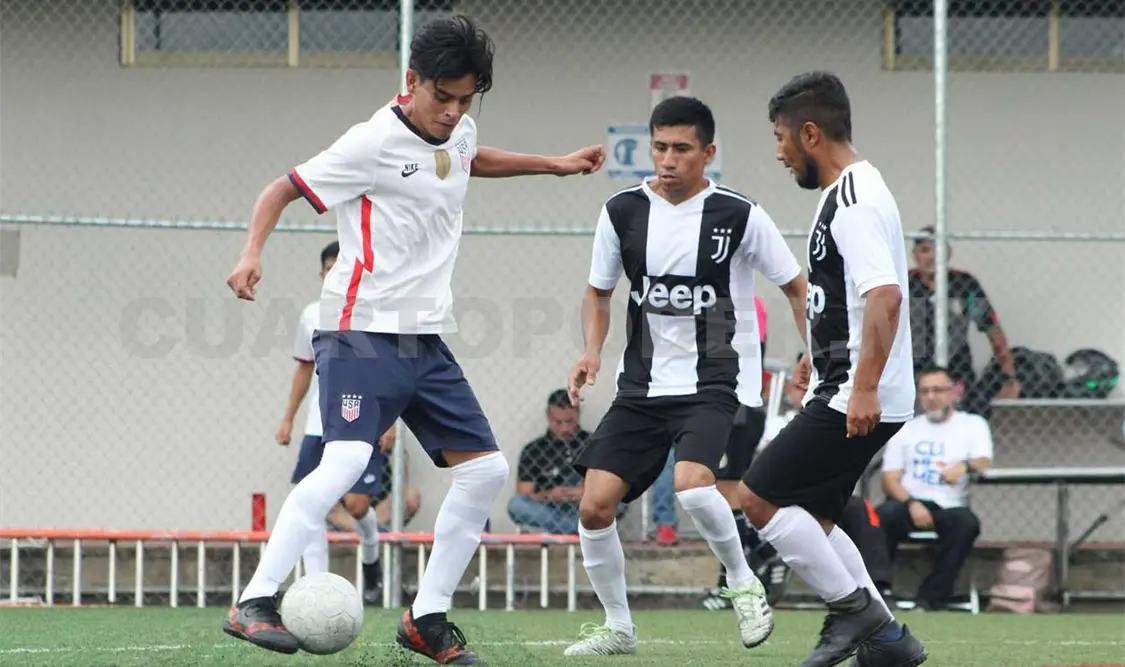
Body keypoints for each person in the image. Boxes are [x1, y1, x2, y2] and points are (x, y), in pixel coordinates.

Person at [223, 15, 605, 664]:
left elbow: (466, 159)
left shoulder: (459, 130)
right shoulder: (370, 142)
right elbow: (281, 189)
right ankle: (255, 600)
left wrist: (553, 165)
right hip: (359, 331)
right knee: (343, 464)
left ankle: (425, 618)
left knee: (485, 472)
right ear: (412, 81)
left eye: (466, 100)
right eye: (442, 97)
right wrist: (251, 252)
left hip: (423, 340)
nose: (453, 112)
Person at [563, 95, 809, 656]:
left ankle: (743, 585)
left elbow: (796, 287)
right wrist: (592, 352)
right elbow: (598, 293)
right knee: (595, 506)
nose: (668, 159)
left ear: (708, 153)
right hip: (642, 383)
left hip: (714, 378)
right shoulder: (622, 211)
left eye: (681, 148)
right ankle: (618, 628)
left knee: (694, 485)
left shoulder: (739, 214)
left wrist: (815, 352)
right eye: (660, 148)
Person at [738, 71, 927, 667]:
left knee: (758, 497)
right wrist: (814, 353)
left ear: (810, 134)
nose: (779, 152)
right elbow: (846, 298)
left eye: (781, 137)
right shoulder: (847, 190)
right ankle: (888, 642)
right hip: (843, 381)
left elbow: (885, 297)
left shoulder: (854, 201)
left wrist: (863, 386)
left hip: (856, 393)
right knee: (815, 517)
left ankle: (857, 613)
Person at [276, 240, 388, 605]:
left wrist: (392, 423)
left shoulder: (377, 313)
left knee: (357, 505)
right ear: (322, 274)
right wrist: (288, 418)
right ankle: (317, 587)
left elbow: (392, 372)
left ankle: (371, 555)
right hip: (320, 425)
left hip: (365, 419)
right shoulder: (312, 314)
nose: (334, 274)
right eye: (329, 269)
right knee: (311, 502)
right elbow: (304, 368)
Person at [878, 366, 991, 611]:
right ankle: (878, 592)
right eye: (925, 391)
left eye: (938, 390)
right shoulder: (906, 428)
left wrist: (964, 466)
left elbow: (984, 461)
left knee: (966, 523)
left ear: (955, 392)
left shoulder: (973, 425)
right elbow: (889, 478)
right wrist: (912, 504)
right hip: (908, 504)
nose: (931, 397)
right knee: (881, 517)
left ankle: (931, 597)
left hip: (948, 507)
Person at [507, 389, 591, 534]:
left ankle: (562, 531)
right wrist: (549, 495)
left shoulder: (593, 443)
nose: (564, 428)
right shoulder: (533, 450)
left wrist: (579, 492)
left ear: (578, 413)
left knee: (617, 502)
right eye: (558, 422)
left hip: (583, 507)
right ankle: (572, 529)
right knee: (516, 505)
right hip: (547, 509)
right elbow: (524, 494)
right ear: (548, 416)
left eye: (569, 421)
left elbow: (607, 487)